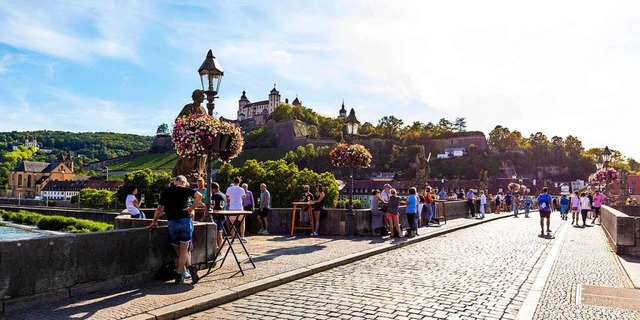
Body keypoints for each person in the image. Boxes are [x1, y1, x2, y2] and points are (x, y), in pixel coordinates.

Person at [149, 175, 202, 284]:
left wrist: (154, 222)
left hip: (172, 223)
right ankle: (181, 273)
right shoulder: (185, 190)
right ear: (183, 182)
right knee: (184, 250)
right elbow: (199, 196)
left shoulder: (166, 192)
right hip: (185, 221)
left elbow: (159, 209)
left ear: (175, 182)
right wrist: (191, 208)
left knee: (178, 250)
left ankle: (187, 270)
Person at [226, 177, 247, 243]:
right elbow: (244, 196)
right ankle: (242, 236)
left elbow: (227, 197)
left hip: (232, 207)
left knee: (232, 223)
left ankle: (233, 237)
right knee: (242, 222)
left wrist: (230, 199)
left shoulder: (229, 188)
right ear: (239, 182)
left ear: (233, 181)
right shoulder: (241, 189)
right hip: (239, 208)